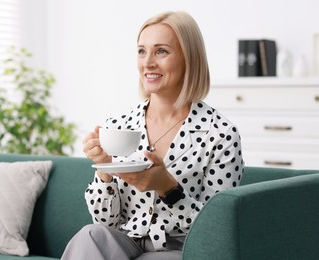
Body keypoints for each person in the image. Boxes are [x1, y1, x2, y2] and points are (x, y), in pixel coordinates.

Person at [61, 10, 244, 260]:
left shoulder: (220, 134)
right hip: (128, 241)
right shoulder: (120, 126)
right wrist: (104, 170)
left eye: (161, 51)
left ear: (189, 59)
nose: (147, 62)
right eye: (141, 51)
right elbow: (106, 222)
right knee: (91, 236)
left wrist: (168, 188)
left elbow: (216, 230)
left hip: (181, 248)